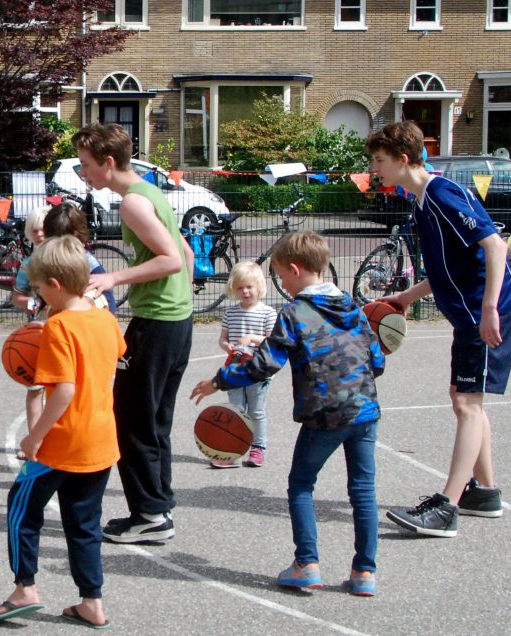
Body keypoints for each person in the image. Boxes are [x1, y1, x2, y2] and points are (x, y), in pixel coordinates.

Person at [190, 230, 385, 597]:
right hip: (364, 410)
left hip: (324, 415)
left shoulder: (295, 313)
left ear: (295, 270)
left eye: (279, 275)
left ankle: (307, 564)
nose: (280, 283)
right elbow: (377, 361)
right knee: (363, 490)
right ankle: (364, 572)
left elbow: (264, 364)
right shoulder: (353, 308)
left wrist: (219, 381)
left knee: (300, 485)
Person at [367, 121, 511, 537]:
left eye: (380, 161)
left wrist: (489, 308)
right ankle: (484, 492)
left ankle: (446, 507)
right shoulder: (422, 201)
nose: (375, 168)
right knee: (464, 398)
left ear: (403, 159)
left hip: (484, 310)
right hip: (470, 311)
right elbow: (447, 267)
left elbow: (494, 245)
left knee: (468, 402)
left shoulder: (441, 194)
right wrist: (405, 299)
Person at [0, 235, 125, 627]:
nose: (37, 295)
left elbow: (63, 390)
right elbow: (118, 352)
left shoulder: (58, 327)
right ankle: (91, 601)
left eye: (39, 288)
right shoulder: (105, 318)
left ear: (56, 286)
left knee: (20, 508)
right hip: (100, 440)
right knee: (84, 524)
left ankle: (24, 589)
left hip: (62, 442)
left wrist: (35, 437)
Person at [72, 122, 194, 544]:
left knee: (132, 420)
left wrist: (114, 279)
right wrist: (181, 303)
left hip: (158, 323)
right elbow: (188, 252)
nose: (83, 172)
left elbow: (171, 260)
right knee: (155, 420)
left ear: (108, 162)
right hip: (177, 321)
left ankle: (150, 516)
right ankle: (157, 508)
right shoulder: (152, 193)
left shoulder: (133, 204)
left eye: (87, 165)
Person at [212, 260, 277, 468]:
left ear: (259, 287)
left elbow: (271, 341)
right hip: (235, 368)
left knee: (256, 411)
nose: (245, 292)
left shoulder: (268, 313)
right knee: (236, 410)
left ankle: (258, 448)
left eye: (249, 287)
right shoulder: (230, 313)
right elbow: (223, 339)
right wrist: (228, 346)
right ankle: (232, 450)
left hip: (257, 369)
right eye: (240, 288)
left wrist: (251, 338)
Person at [10, 205, 49, 460]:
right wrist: (32, 303)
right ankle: (35, 439)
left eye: (43, 228)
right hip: (36, 331)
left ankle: (57, 438)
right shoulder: (27, 265)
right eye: (34, 229)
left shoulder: (63, 259)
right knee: (35, 388)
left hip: (62, 327)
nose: (39, 234)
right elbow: (17, 297)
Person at [42, 201, 117, 313]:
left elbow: (109, 304)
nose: (59, 246)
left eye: (64, 240)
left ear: (78, 236)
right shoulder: (48, 260)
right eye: (53, 240)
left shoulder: (90, 264)